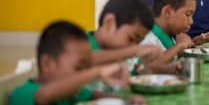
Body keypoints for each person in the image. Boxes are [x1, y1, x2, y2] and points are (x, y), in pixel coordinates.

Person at [9, 20, 142, 105]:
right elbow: (44, 96)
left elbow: (92, 95)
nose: (83, 74)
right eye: (79, 67)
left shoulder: (71, 92)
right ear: (47, 64)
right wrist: (96, 72)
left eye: (87, 67)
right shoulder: (23, 94)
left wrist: (126, 101)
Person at [87, 0, 163, 73]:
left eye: (138, 43)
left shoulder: (118, 57)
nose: (133, 46)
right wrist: (135, 51)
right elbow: (84, 59)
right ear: (109, 23)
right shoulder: (79, 43)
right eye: (131, 38)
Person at [140, 0, 196, 66]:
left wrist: (192, 43)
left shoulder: (168, 35)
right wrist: (179, 46)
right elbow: (149, 66)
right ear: (167, 12)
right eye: (188, 14)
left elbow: (168, 56)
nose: (191, 21)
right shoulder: (147, 38)